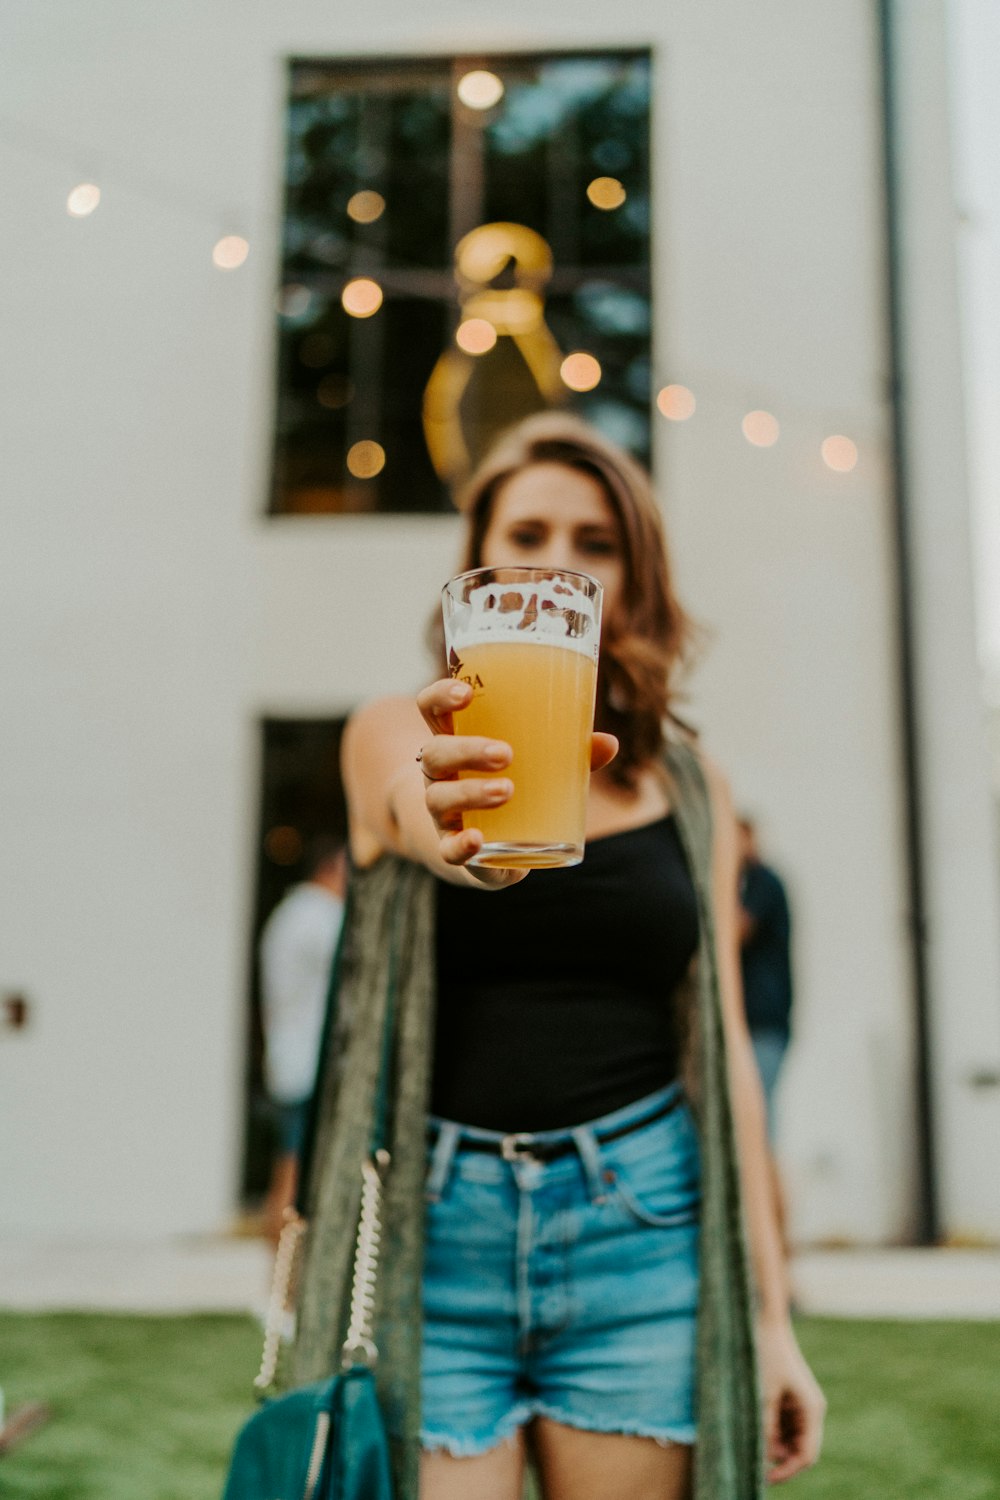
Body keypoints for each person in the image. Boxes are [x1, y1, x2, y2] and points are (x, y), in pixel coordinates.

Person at [289, 413, 825, 1500]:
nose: (556, 564)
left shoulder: (687, 788)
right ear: (475, 567)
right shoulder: (398, 732)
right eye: (526, 533)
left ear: (634, 576)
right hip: (437, 1242)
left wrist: (771, 1322)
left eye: (595, 542)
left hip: (642, 1229)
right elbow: (416, 816)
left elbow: (722, 1053)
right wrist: (470, 841)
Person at [258, 836, 346, 1244]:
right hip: (310, 1065)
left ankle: (277, 1282)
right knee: (294, 1176)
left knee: (288, 1169)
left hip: (289, 1061)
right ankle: (281, 1283)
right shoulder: (320, 917)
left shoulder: (289, 913)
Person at [737, 817, 794, 1143]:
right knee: (758, 1129)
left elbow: (735, 931)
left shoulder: (762, 882)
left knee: (759, 1131)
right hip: (757, 1025)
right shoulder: (751, 884)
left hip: (763, 1024)